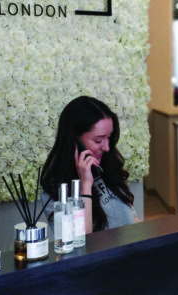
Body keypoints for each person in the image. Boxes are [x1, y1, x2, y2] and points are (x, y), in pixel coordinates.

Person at [40, 96, 138, 233]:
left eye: (108, 137)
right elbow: (81, 241)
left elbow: (133, 218)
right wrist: (85, 185)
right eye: (98, 140)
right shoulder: (55, 188)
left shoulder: (108, 164)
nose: (106, 147)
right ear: (75, 141)